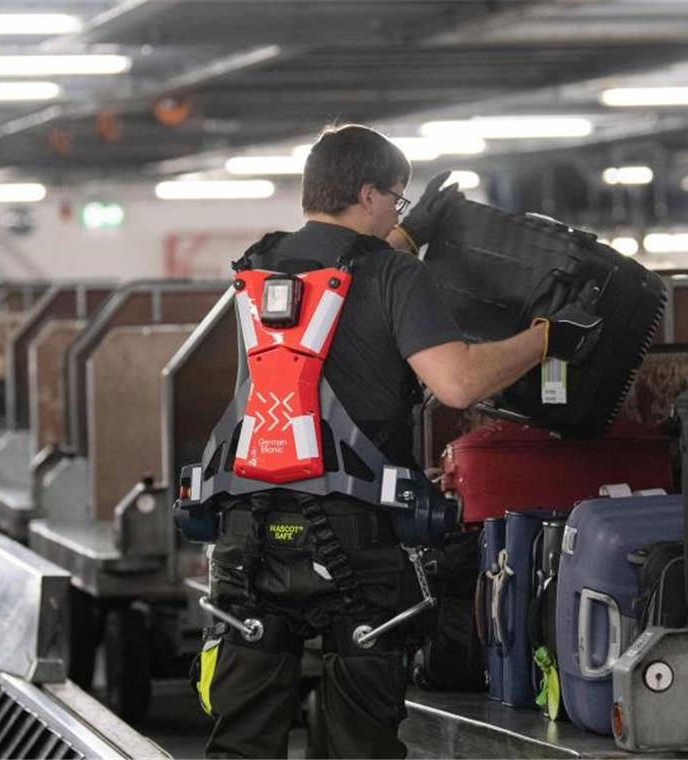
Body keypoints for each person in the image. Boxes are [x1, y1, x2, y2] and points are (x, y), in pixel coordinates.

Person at [198, 124, 602, 758]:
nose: (396, 211)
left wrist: (404, 236)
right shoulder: (395, 276)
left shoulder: (260, 265)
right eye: (395, 198)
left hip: (248, 533)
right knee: (359, 742)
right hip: (355, 537)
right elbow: (459, 383)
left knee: (241, 741)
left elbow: (339, 284)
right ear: (367, 193)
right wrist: (546, 339)